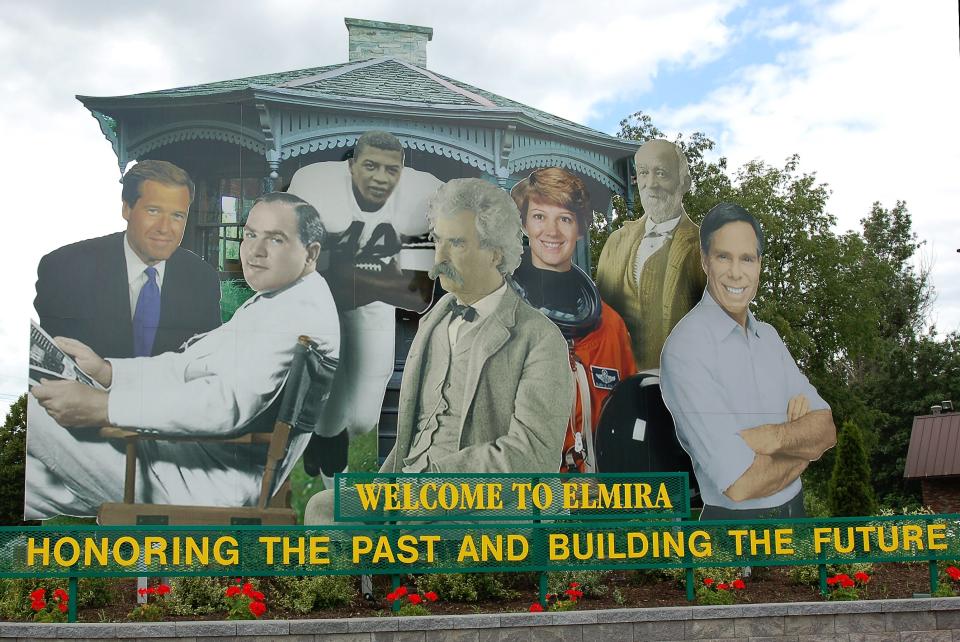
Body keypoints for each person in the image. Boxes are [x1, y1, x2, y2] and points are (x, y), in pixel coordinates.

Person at [25, 193, 340, 519]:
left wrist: (102, 406)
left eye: (275, 239)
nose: (254, 251)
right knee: (31, 480)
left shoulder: (295, 314)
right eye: (250, 235)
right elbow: (187, 362)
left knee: (29, 401)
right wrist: (109, 372)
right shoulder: (286, 298)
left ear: (311, 253)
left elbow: (223, 404)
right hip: (199, 460)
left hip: (204, 480)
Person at [304, 179, 573, 524]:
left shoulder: (539, 338)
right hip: (407, 494)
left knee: (400, 531)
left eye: (456, 243)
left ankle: (388, 570)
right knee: (324, 508)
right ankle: (374, 572)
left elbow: (532, 456)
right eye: (438, 241)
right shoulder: (434, 320)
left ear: (496, 252)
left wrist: (432, 489)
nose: (440, 256)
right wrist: (389, 489)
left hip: (481, 504)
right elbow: (411, 439)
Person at [660, 202, 836, 519]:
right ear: (704, 261)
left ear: (759, 265)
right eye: (723, 257)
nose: (736, 272)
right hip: (733, 529)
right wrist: (804, 450)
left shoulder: (768, 338)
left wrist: (771, 438)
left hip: (795, 516)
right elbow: (739, 483)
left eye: (747, 259)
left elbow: (825, 429)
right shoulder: (686, 349)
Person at [287, 131, 443, 485]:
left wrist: (346, 271)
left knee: (362, 418)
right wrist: (378, 276)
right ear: (349, 169)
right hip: (323, 317)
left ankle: (324, 441)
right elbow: (303, 272)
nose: (379, 179)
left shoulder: (414, 208)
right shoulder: (317, 200)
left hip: (376, 318)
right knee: (328, 399)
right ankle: (327, 459)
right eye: (368, 167)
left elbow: (416, 295)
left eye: (391, 170)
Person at [510, 167, 636, 472]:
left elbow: (628, 419)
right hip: (520, 503)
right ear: (524, 224)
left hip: (593, 504)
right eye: (539, 216)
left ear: (580, 229)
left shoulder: (610, 327)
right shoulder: (502, 315)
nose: (551, 232)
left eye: (564, 219)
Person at [34, 160, 222, 359]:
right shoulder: (65, 270)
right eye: (153, 211)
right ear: (126, 209)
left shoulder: (202, 279)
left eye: (177, 215)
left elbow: (207, 368)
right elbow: (51, 370)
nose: (165, 228)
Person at [596, 139, 705, 371]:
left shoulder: (704, 247)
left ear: (684, 183)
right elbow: (600, 320)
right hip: (622, 390)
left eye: (662, 173)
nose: (651, 184)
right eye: (644, 173)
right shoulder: (616, 242)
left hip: (679, 390)